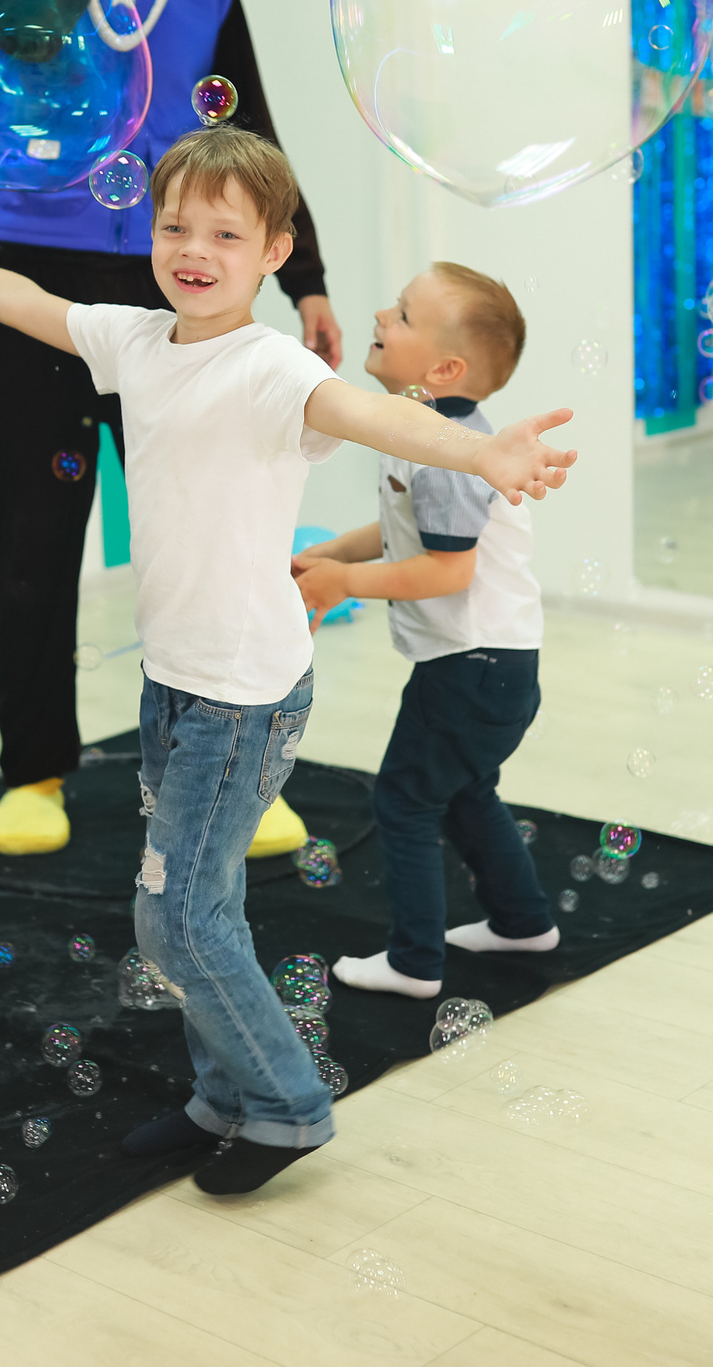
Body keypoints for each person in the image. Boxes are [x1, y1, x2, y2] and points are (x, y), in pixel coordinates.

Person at [0, 126, 576, 1193]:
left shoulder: (272, 366)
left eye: (225, 234)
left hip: (245, 692)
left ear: (274, 251)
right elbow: (28, 303)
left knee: (174, 914)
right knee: (198, 903)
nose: (193, 249)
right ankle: (220, 1097)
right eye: (173, 227)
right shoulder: (138, 341)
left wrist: (481, 449)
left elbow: (375, 414)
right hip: (175, 679)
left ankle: (287, 1106)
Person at [0, 0, 344, 860]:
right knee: (34, 542)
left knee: (214, 538)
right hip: (32, 287)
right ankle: (33, 771)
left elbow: (252, 134)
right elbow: (29, 43)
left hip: (182, 295)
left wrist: (309, 277)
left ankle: (240, 760)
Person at [291, 264, 558, 1000]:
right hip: (493, 665)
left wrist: (345, 585)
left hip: (470, 665)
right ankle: (522, 919)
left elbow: (446, 571)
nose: (381, 313)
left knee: (404, 798)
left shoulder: (448, 456)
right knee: (466, 791)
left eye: (403, 314)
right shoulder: (433, 438)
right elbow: (400, 529)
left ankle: (413, 962)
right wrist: (333, 554)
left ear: (443, 369)